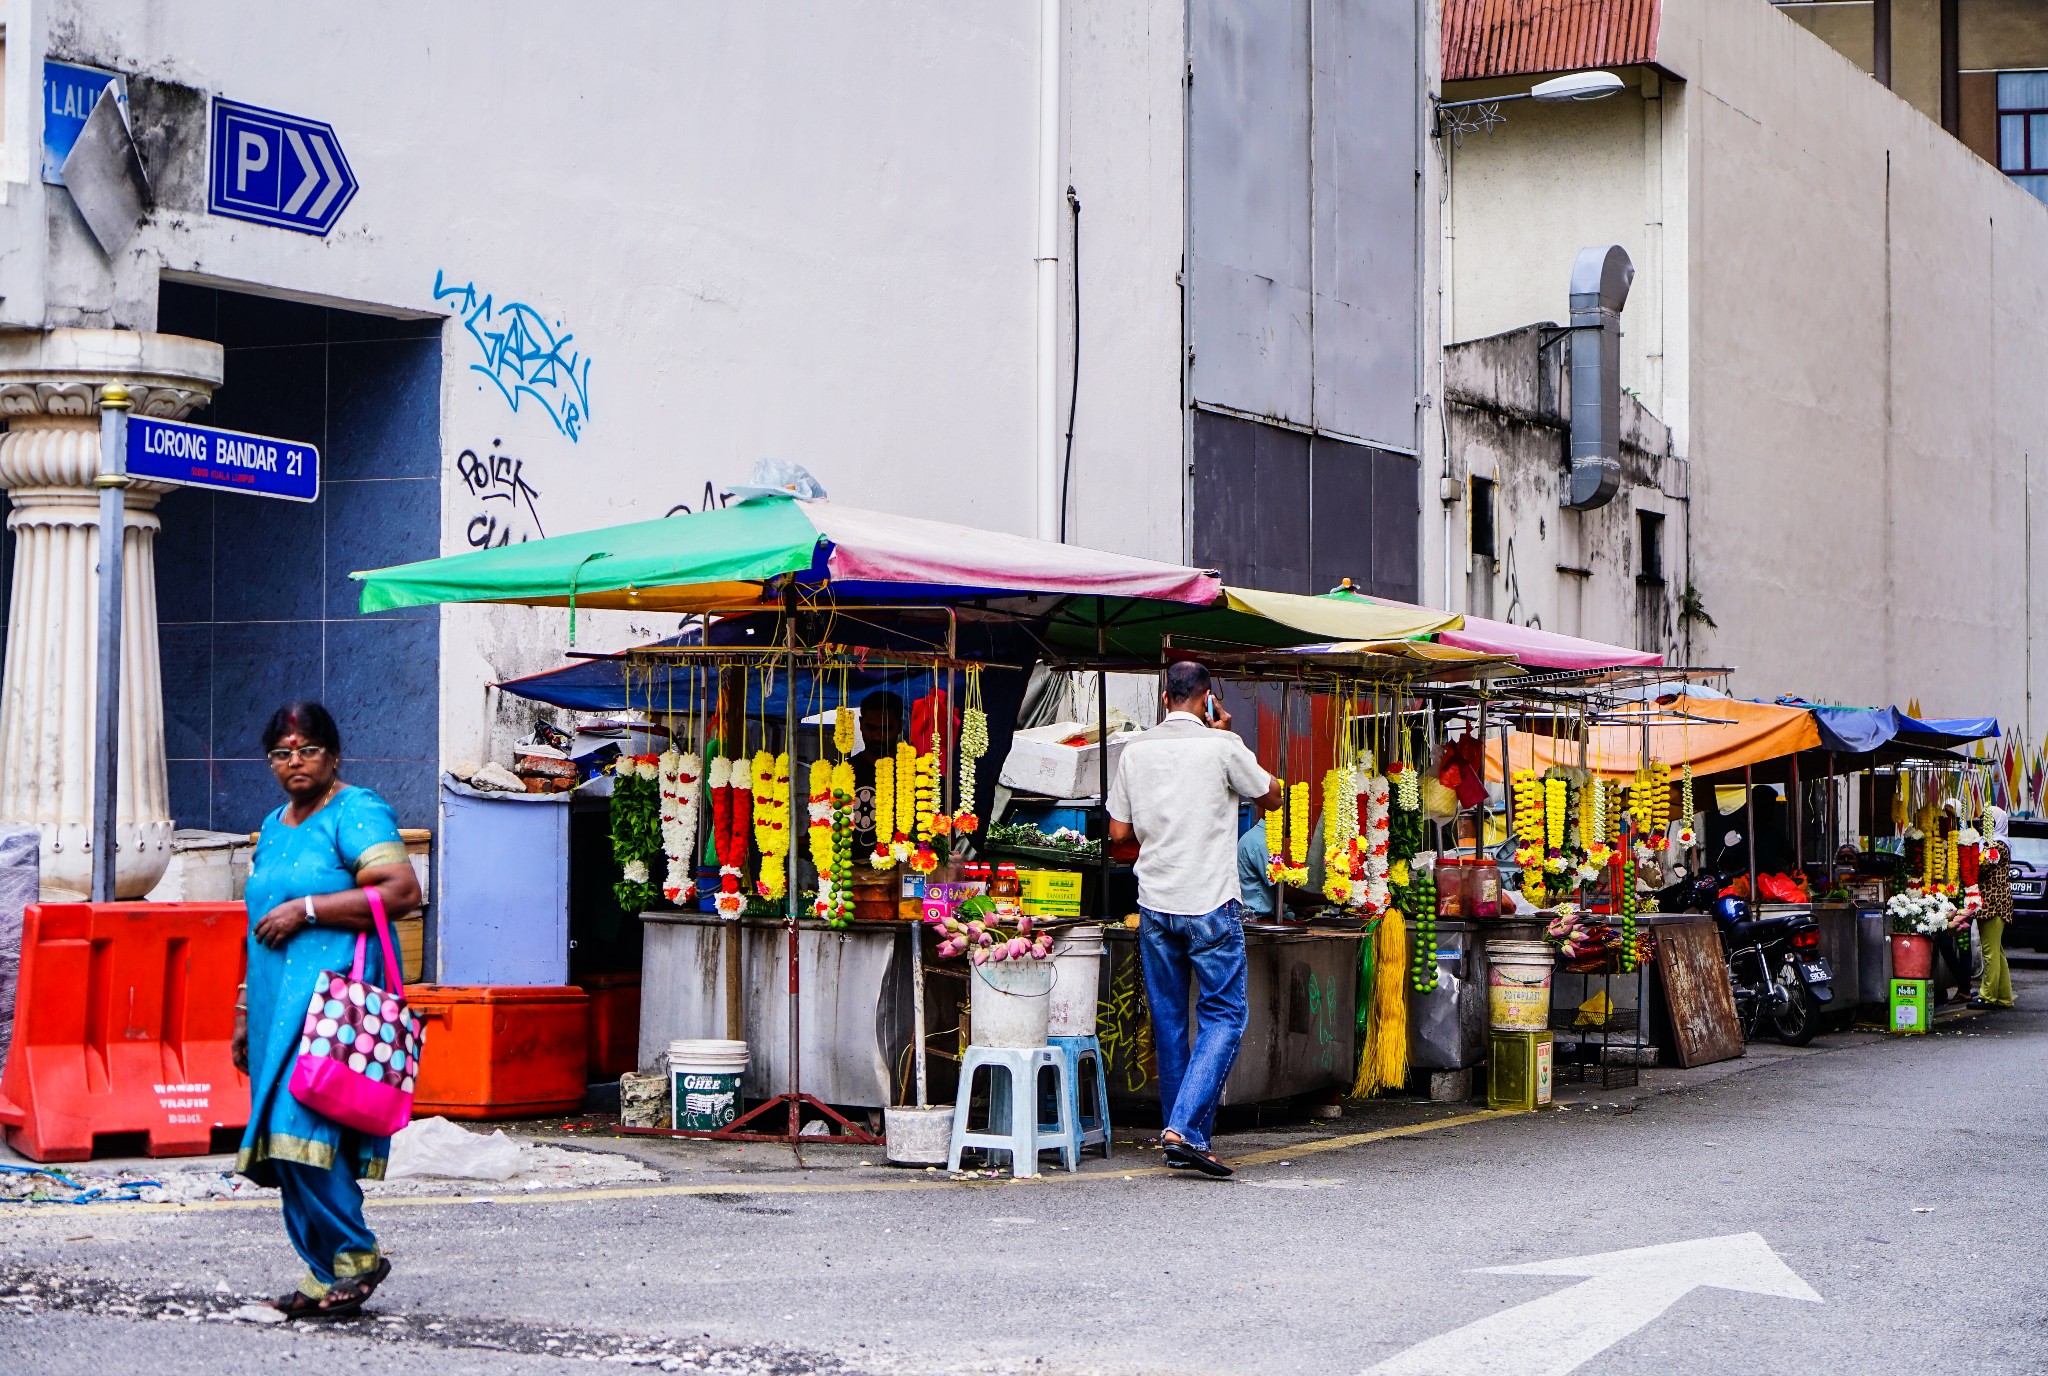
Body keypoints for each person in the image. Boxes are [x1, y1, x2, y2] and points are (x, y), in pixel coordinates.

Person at [233, 702, 423, 1318]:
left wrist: (307, 909)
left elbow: (401, 890)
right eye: (283, 753)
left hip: (328, 1004)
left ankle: (356, 1256)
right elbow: (254, 922)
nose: (296, 762)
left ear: (334, 756)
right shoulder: (275, 822)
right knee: (285, 1141)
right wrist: (241, 1012)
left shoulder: (356, 809)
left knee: (300, 1132)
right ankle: (323, 1276)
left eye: (308, 750)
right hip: (271, 1004)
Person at [1107, 662, 1282, 1178]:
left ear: (1164, 698)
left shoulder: (1135, 752)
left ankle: (1183, 1134)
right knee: (1225, 1016)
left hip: (1155, 903)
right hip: (1208, 903)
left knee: (1170, 1023)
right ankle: (1183, 1130)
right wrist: (1227, 739)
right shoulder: (1223, 747)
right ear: (1206, 700)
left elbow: (1118, 832)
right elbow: (1272, 796)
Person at [847, 689, 905, 857]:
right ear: (860, 724)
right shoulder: (843, 773)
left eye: (886, 729)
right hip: (853, 876)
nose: (878, 736)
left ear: (900, 727)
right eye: (871, 728)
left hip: (909, 878)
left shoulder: (921, 776)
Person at [1974, 806, 2016, 1010]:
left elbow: (1979, 867)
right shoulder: (1993, 844)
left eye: (1986, 820)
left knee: (1990, 952)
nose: (1982, 824)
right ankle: (2004, 996)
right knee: (1997, 952)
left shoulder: (1997, 846)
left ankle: (1987, 996)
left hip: (1994, 905)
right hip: (1994, 904)